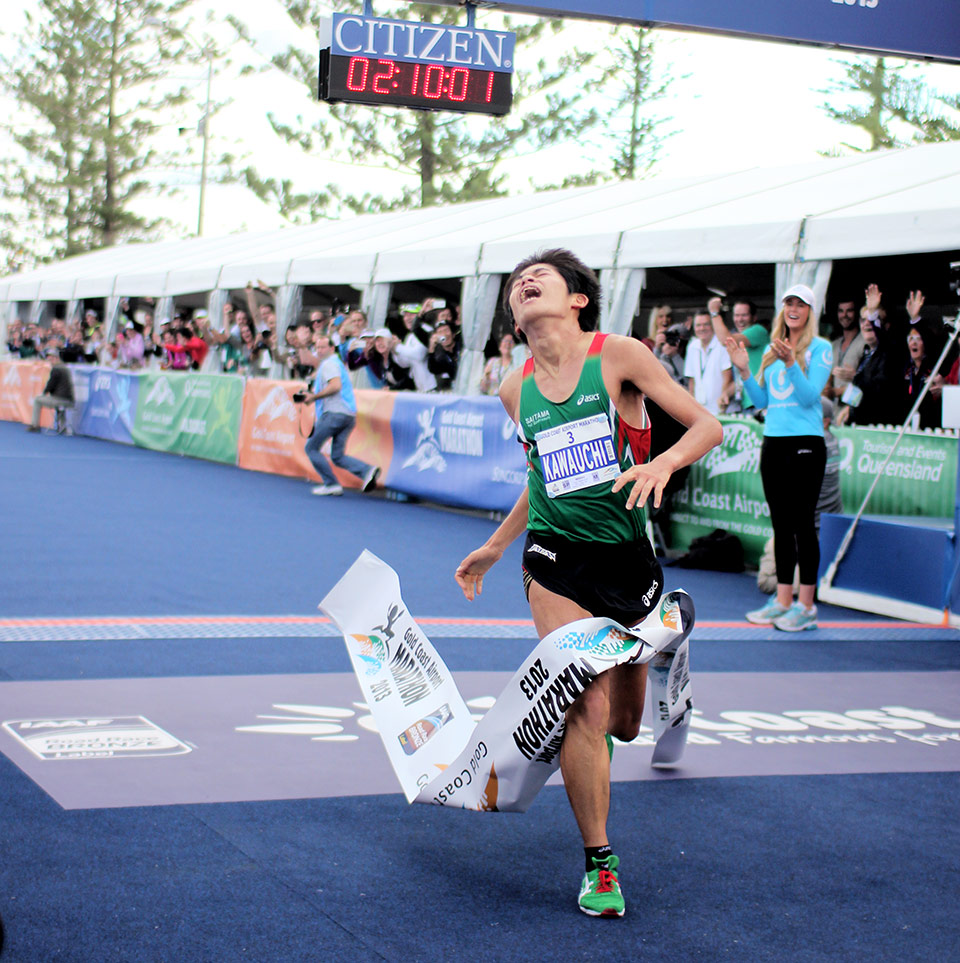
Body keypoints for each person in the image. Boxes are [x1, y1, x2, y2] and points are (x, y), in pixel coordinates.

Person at [455, 249, 721, 918]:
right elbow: (539, 477)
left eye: (539, 277)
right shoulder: (514, 389)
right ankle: (600, 863)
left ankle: (658, 654)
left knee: (627, 724)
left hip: (627, 559)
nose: (524, 283)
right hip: (554, 558)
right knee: (587, 703)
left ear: (577, 300)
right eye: (517, 282)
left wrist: (662, 462)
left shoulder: (619, 356)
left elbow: (709, 425)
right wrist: (495, 545)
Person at [726, 284, 832, 632]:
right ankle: (783, 600)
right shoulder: (772, 351)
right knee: (781, 526)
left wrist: (791, 363)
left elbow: (807, 396)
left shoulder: (820, 348)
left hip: (806, 444)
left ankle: (806, 605)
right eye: (789, 302)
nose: (794, 308)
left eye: (801, 304)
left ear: (810, 311)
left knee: (803, 525)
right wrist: (743, 371)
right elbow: (760, 402)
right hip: (774, 443)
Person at [297, 334, 381, 497]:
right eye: (318, 347)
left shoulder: (330, 364)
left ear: (331, 348)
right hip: (347, 414)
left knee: (311, 447)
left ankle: (331, 483)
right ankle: (367, 471)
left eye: (323, 347)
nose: (320, 351)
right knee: (337, 455)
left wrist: (314, 397)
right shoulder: (334, 363)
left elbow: (335, 386)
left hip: (335, 414)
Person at [684, 309, 733, 414]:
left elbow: (727, 377)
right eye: (698, 325)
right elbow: (691, 381)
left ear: (712, 326)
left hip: (718, 408)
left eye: (706, 324)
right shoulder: (692, 346)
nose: (702, 328)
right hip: (699, 409)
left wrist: (722, 402)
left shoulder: (721, 345)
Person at [28, 346, 74, 432]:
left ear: (55, 358)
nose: (50, 361)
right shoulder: (65, 368)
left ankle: (35, 425)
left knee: (37, 400)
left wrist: (44, 393)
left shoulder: (56, 369)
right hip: (69, 399)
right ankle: (62, 426)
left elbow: (50, 385)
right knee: (59, 404)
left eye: (51, 359)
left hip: (61, 399)